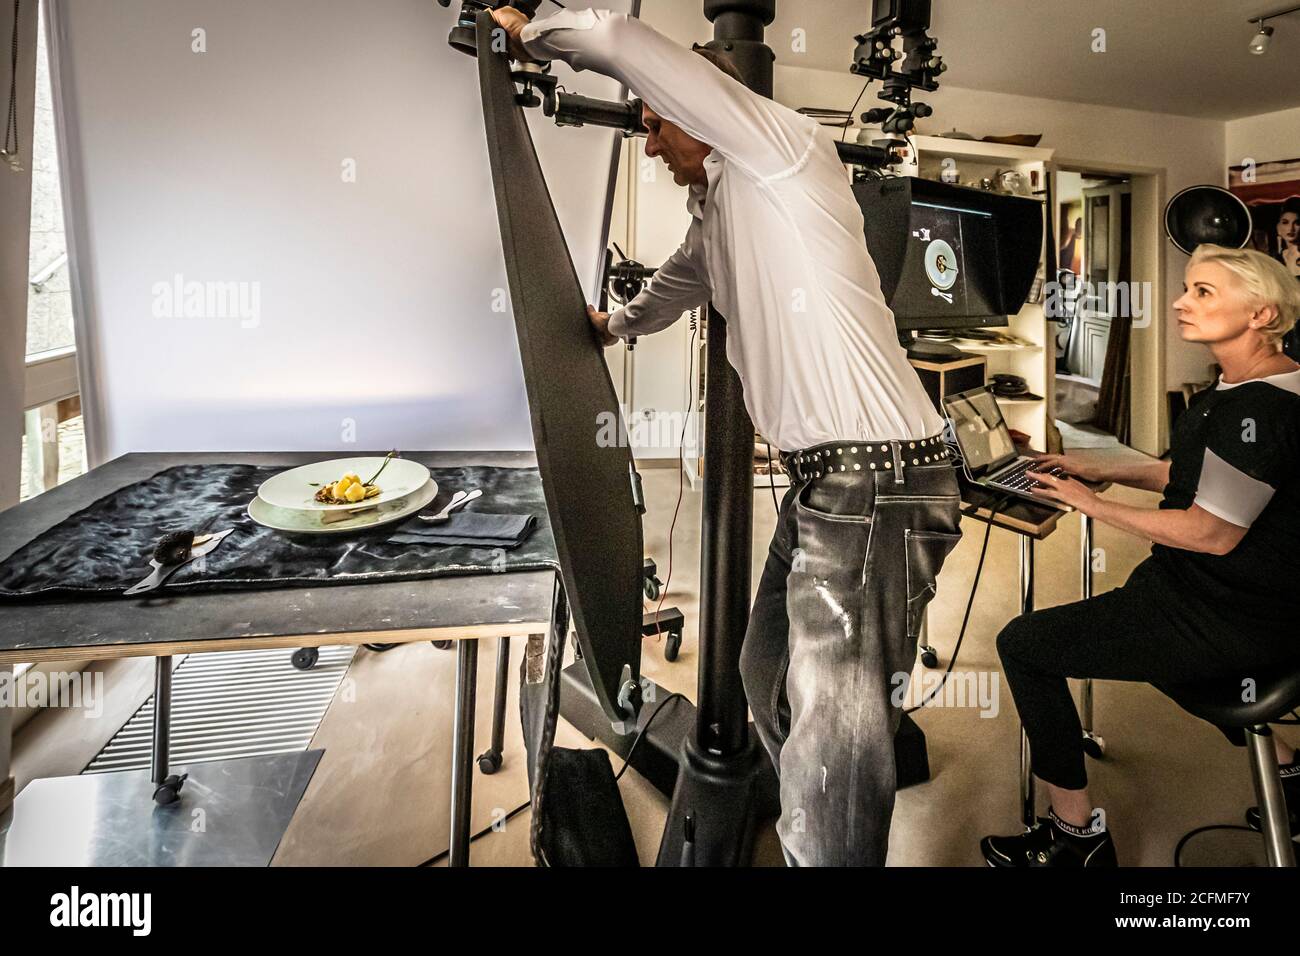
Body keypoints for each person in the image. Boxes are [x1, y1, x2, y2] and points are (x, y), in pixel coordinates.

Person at [490, 6, 962, 866]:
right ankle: (813, 831)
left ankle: (825, 838)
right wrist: (616, 326)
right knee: (761, 670)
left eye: (654, 123)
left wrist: (529, 30)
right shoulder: (725, 207)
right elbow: (678, 281)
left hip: (879, 482)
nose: (649, 144)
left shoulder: (778, 148)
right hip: (838, 486)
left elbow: (624, 44)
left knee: (836, 751)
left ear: (704, 107)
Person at [980, 245, 1300, 867]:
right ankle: (1290, 772)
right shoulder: (1255, 384)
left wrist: (1087, 504)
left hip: (1229, 615)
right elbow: (1189, 475)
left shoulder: (1258, 410)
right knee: (1132, 635)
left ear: (1262, 313)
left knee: (1025, 644)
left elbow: (1211, 531)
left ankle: (1078, 842)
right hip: (1220, 600)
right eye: (1187, 288)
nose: (1181, 301)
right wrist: (1090, 467)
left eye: (1203, 292)